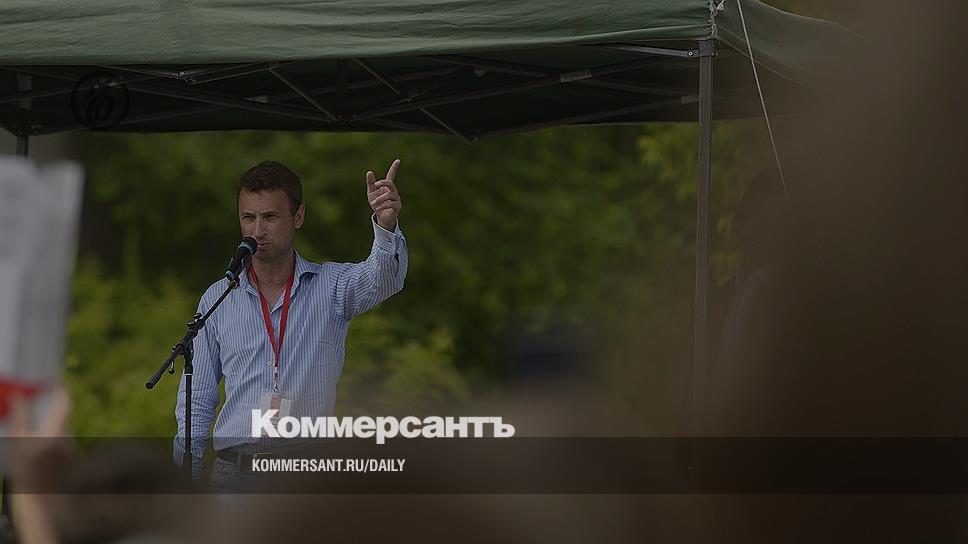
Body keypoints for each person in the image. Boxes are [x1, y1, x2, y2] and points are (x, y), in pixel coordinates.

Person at [173, 159, 407, 489]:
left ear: (298, 217)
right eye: (248, 217)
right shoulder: (218, 298)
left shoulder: (331, 286)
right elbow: (196, 401)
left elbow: (383, 280)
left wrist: (385, 225)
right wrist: (185, 483)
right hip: (234, 475)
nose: (257, 230)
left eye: (270, 217)